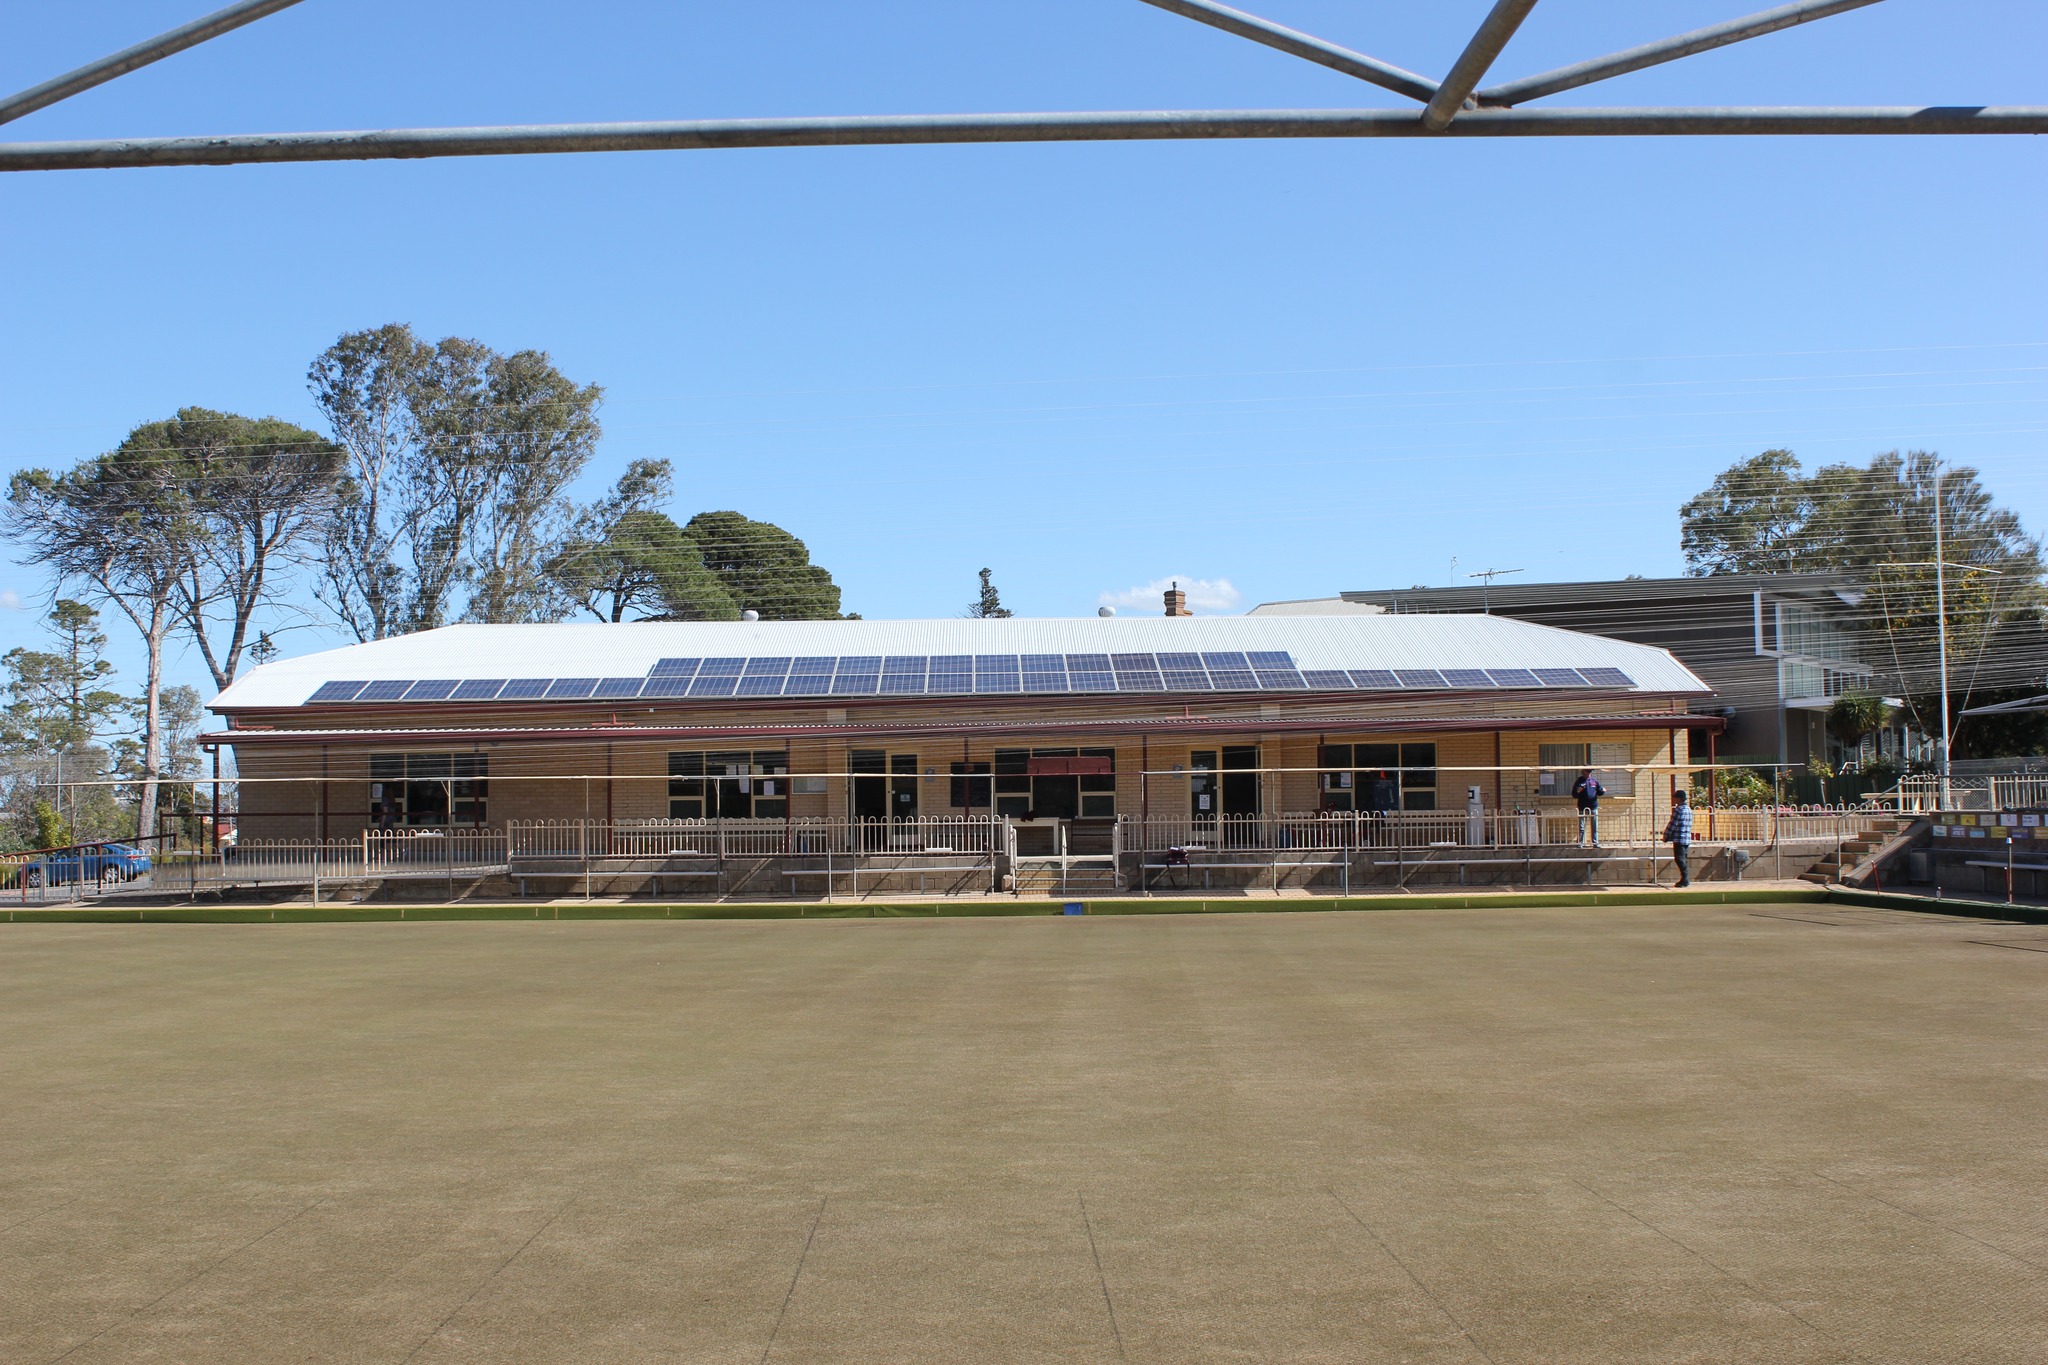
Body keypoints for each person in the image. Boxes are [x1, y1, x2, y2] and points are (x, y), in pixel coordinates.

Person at [1663, 788, 1694, 887]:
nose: (1674, 800)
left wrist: (1666, 835)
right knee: (1683, 858)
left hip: (1679, 837)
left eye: (1675, 798)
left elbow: (1673, 824)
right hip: (1686, 838)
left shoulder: (1679, 810)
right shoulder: (1688, 809)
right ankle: (1684, 878)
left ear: (1679, 799)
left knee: (1679, 858)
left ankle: (1685, 878)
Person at [1570, 768, 1603, 847]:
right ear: (1583, 771)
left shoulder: (1594, 781)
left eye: (1590, 771)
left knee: (1594, 826)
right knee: (1581, 826)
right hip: (1583, 807)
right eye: (1587, 771)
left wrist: (1603, 791)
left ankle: (1595, 843)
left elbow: (1599, 792)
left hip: (1593, 806)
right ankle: (1580, 843)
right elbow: (1574, 795)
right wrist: (1578, 790)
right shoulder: (1579, 781)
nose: (1589, 773)